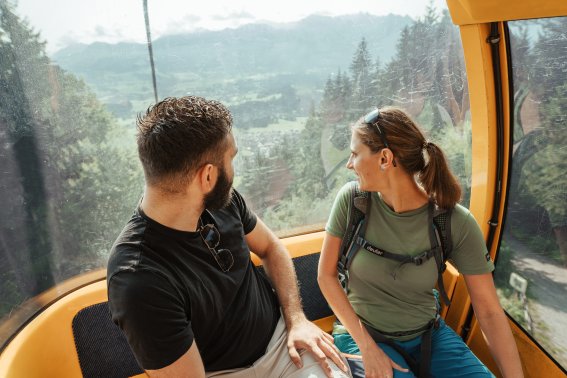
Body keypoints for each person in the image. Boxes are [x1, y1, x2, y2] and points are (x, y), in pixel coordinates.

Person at [107, 96, 351, 378]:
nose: (234, 171)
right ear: (207, 176)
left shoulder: (224, 202)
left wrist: (296, 319)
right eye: (231, 158)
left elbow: (271, 248)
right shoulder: (139, 280)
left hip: (284, 346)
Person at [317, 107, 524, 378]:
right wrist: (367, 348)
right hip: (362, 335)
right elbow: (325, 276)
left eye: (355, 154)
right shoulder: (354, 202)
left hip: (429, 336)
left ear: (385, 158)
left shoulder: (453, 222)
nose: (349, 164)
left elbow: (488, 311)